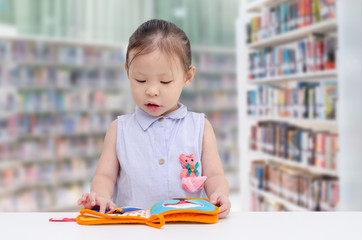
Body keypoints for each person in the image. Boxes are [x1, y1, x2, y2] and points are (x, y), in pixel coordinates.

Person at [77, 19, 231, 218]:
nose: (151, 91)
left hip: (188, 227)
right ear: (127, 72)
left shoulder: (200, 127)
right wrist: (101, 197)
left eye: (165, 81)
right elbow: (104, 175)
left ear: (187, 77)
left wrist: (219, 193)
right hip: (133, 226)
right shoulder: (119, 129)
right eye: (140, 80)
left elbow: (215, 174)